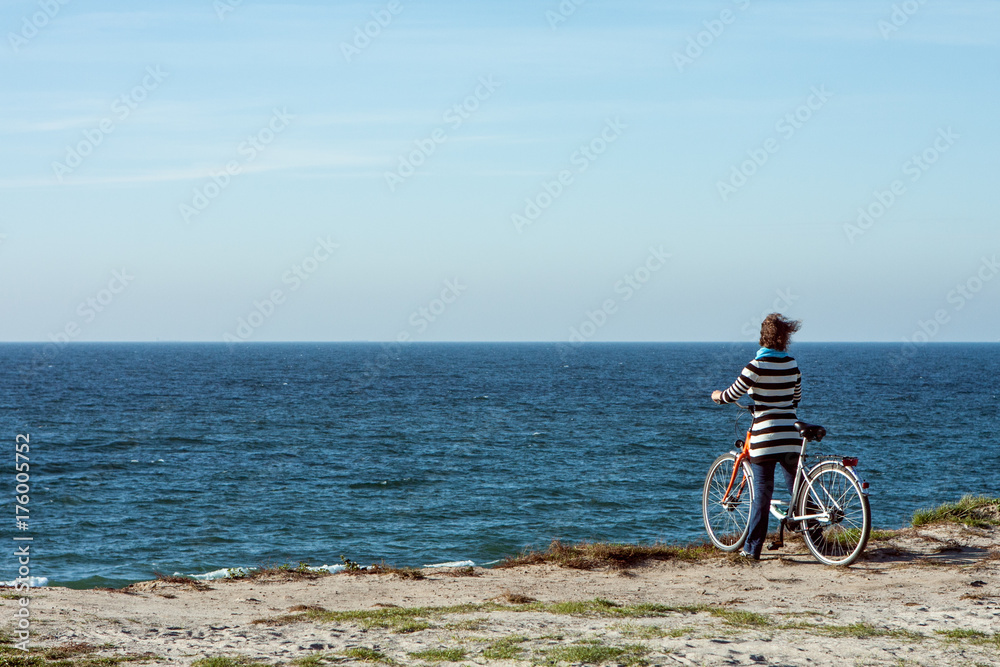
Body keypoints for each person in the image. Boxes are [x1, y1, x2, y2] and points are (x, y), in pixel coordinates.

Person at [711, 313, 802, 561]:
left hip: (765, 436)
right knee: (799, 488)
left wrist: (717, 395)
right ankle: (817, 539)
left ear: (763, 337)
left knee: (762, 492)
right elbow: (796, 398)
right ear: (785, 340)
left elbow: (732, 394)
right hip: (791, 435)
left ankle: (752, 549)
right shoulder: (792, 364)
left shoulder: (755, 366)